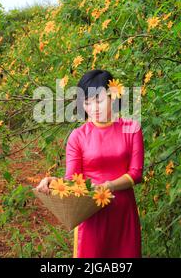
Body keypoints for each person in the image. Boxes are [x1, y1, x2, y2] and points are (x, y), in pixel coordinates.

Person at [36, 69, 144, 258]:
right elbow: (73, 180)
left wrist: (108, 186)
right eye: (87, 102)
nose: (93, 108)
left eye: (99, 101)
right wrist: (53, 182)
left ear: (113, 96)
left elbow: (136, 173)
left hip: (123, 214)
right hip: (90, 214)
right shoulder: (78, 137)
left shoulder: (131, 128)